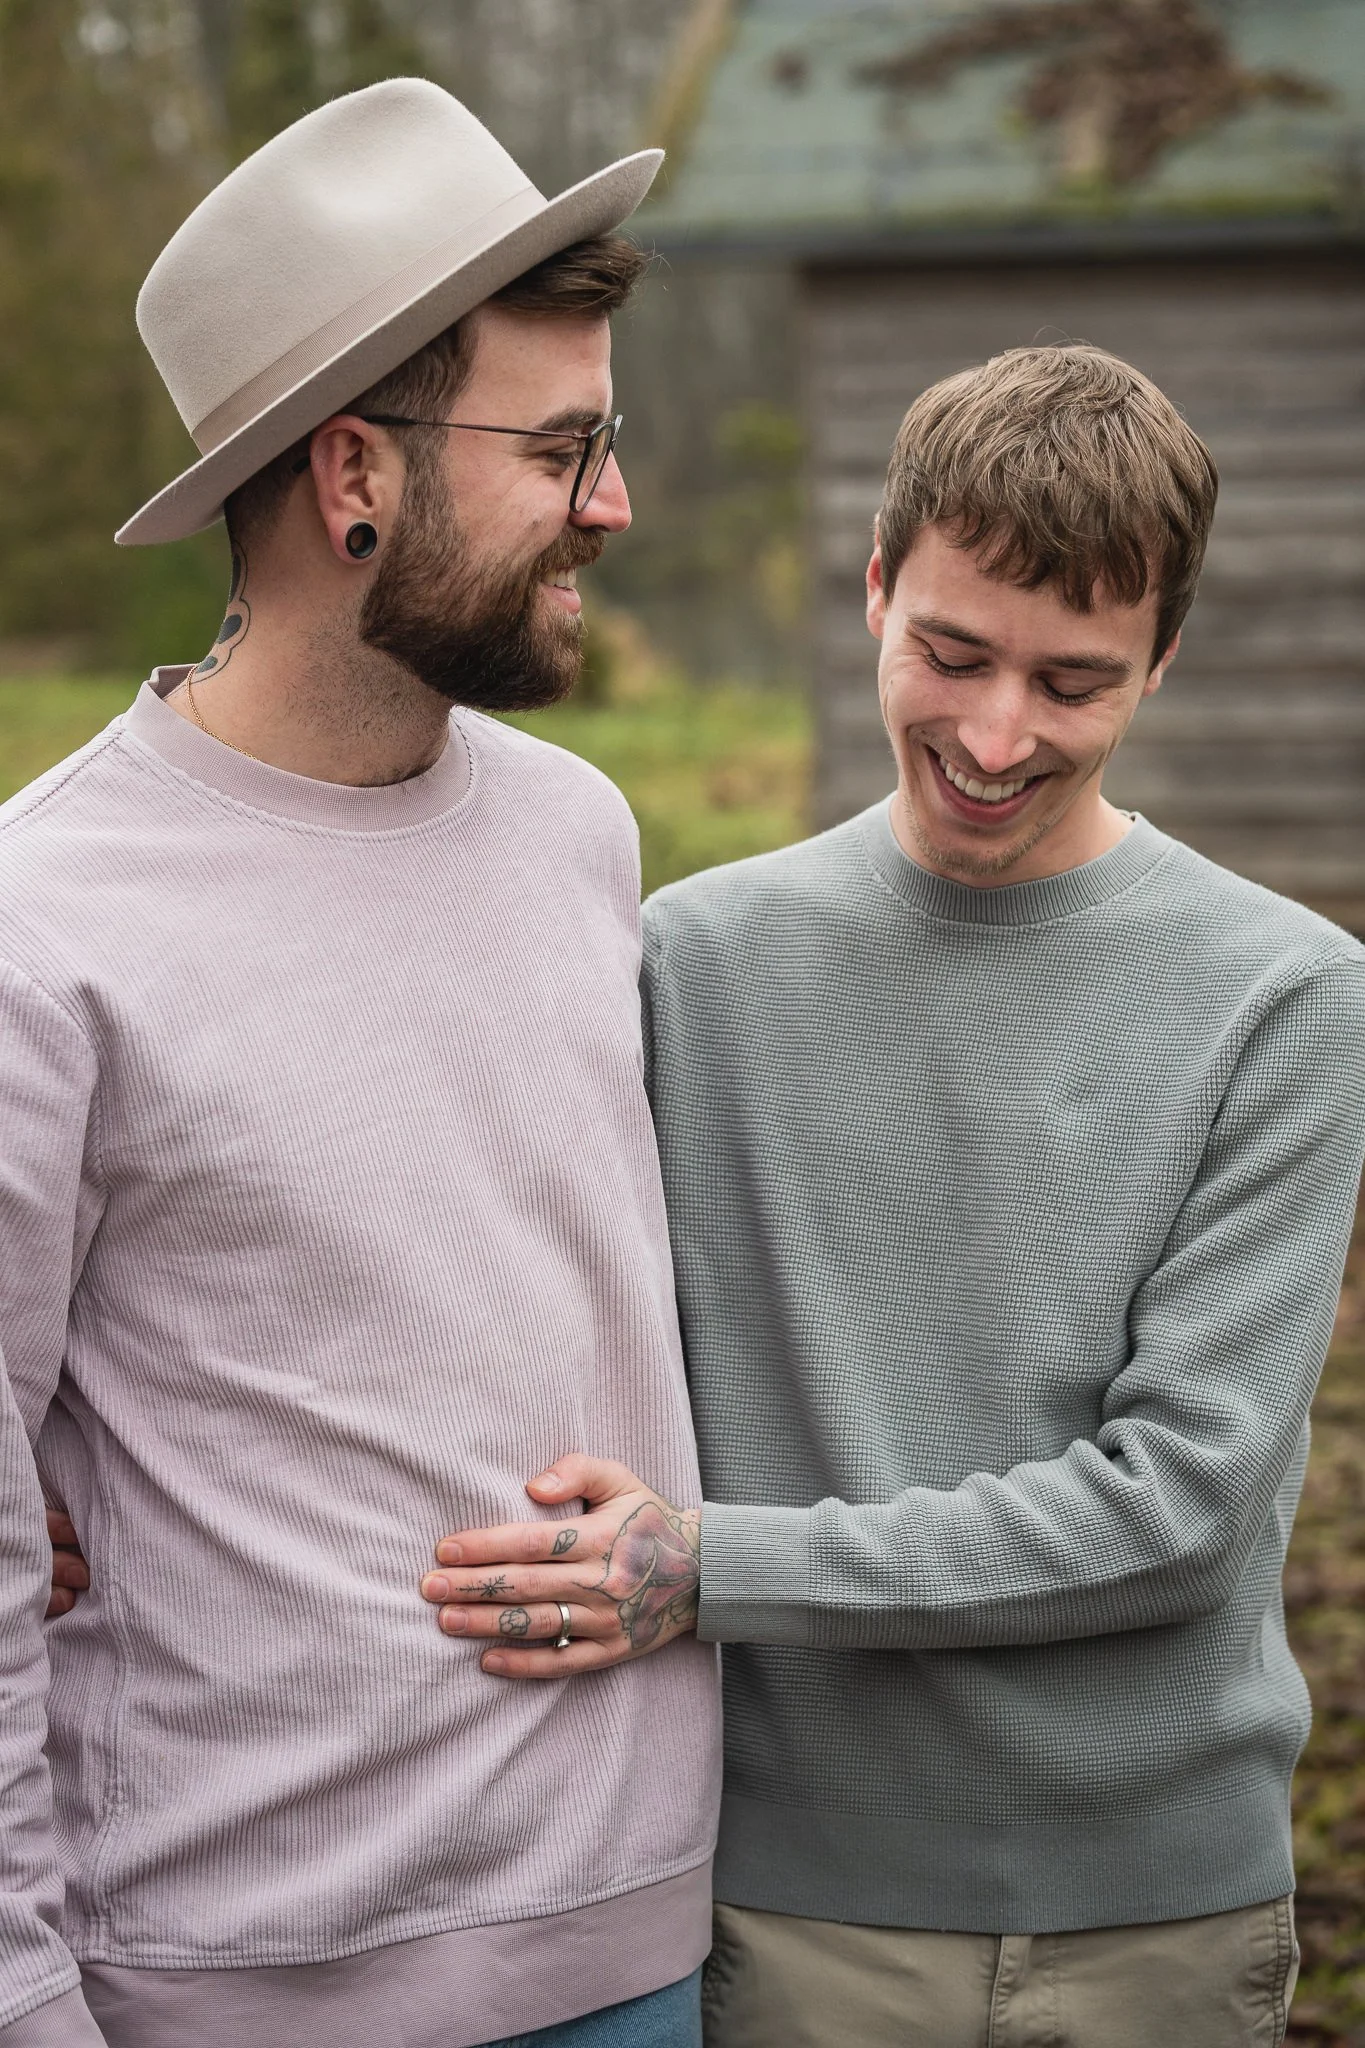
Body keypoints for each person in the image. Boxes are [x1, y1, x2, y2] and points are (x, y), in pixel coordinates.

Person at [428, 345, 1365, 2047]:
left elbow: (1178, 1510)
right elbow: (483, 1266)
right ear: (874, 589)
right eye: (951, 654)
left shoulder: (1288, 1000)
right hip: (792, 1907)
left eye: (1073, 683)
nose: (996, 737)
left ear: (1165, 659)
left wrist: (709, 1570)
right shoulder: (689, 966)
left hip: (1156, 1915)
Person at [0, 78, 718, 2048]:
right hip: (240, 1989)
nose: (614, 502)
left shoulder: (582, 833)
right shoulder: (44, 925)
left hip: (641, 1948)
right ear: (353, 478)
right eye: (563, 446)